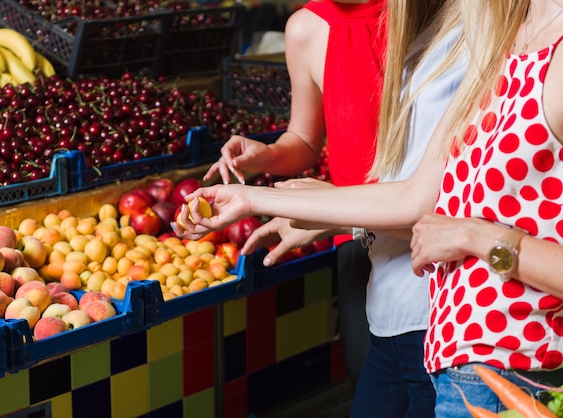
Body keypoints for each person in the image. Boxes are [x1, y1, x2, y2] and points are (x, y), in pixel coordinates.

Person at [174, 0, 563, 415]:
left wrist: (477, 236)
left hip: (518, 353)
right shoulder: (499, 50)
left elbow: (437, 213)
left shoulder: (512, 46)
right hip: (456, 341)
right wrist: (254, 198)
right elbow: (416, 197)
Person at [205, 0, 388, 387]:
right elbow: (305, 139)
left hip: (426, 222)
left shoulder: (419, 14)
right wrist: (266, 154)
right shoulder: (304, 28)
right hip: (353, 233)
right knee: (369, 368)